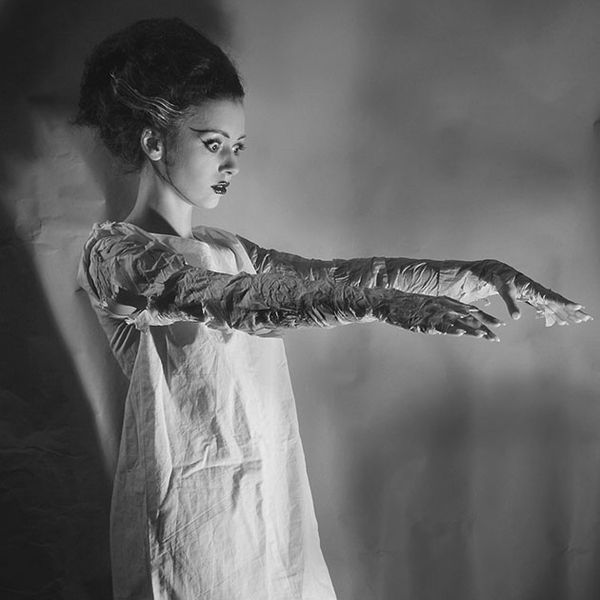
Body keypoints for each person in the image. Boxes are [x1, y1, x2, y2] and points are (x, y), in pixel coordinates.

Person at [74, 17, 591, 600]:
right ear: (153, 142)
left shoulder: (229, 249)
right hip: (192, 530)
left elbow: (344, 278)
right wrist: (381, 305)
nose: (232, 164)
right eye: (213, 144)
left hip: (270, 511)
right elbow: (235, 302)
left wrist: (482, 275)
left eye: (237, 147)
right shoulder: (117, 254)